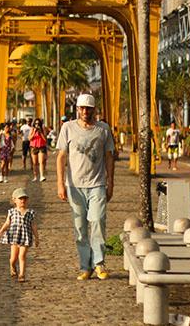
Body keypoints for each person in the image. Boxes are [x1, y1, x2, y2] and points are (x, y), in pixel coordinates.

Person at [56, 93, 115, 280]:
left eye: (88, 108)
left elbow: (108, 156)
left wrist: (111, 181)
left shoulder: (103, 129)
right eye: (81, 108)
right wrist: (60, 183)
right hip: (74, 185)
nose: (85, 112)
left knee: (97, 221)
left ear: (94, 110)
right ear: (77, 109)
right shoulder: (68, 128)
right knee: (80, 228)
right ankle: (85, 266)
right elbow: (61, 157)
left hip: (97, 183)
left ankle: (99, 263)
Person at [0, 187, 39, 283]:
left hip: (25, 237)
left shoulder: (30, 212)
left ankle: (22, 274)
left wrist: (37, 238)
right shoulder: (12, 212)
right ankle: (12, 267)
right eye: (20, 199)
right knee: (13, 258)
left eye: (25, 199)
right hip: (14, 237)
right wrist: (0, 231)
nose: (23, 201)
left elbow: (33, 225)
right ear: (14, 200)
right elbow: (7, 223)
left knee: (22, 256)